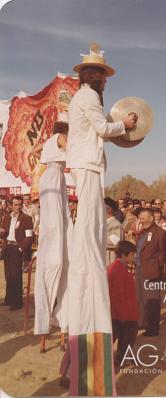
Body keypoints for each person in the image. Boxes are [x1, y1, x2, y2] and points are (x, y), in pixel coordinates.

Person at [65, 43, 137, 396]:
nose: (105, 83)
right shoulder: (89, 98)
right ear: (92, 77)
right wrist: (123, 124)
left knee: (89, 228)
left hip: (85, 165)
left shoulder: (83, 98)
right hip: (88, 167)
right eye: (103, 77)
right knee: (90, 229)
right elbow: (103, 129)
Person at [32, 114, 71, 335]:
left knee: (54, 217)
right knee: (56, 218)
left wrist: (45, 156)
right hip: (54, 178)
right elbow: (71, 151)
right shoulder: (59, 138)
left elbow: (34, 152)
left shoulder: (48, 141)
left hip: (50, 176)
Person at [135, 208, 166, 336]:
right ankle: (142, 322)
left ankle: (153, 328)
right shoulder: (141, 232)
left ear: (150, 218)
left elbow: (165, 254)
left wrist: (156, 265)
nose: (141, 220)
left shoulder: (160, 233)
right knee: (140, 297)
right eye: (140, 218)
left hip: (151, 270)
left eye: (143, 217)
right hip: (139, 268)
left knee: (152, 299)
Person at [107, 240, 139, 366]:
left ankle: (120, 358)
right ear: (125, 255)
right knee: (126, 338)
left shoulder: (115, 268)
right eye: (132, 255)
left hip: (120, 312)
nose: (133, 257)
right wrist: (123, 316)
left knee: (120, 337)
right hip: (123, 314)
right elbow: (118, 295)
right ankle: (121, 359)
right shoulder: (118, 270)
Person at [0, 196, 33, 310]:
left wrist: (20, 249)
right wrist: (2, 231)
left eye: (19, 204)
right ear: (11, 205)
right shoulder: (7, 217)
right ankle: (9, 299)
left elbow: (29, 238)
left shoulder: (27, 218)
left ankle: (17, 302)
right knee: (8, 275)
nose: (17, 207)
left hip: (16, 249)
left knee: (16, 276)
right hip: (7, 248)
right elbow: (4, 232)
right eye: (15, 205)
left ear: (22, 204)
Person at [105, 197, 123, 265]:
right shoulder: (104, 223)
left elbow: (116, 241)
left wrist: (96, 238)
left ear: (109, 209)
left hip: (110, 261)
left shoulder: (115, 224)